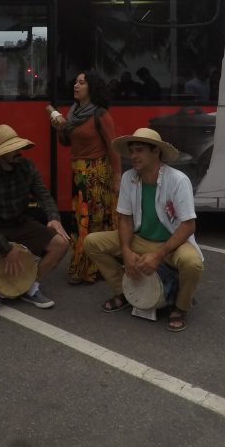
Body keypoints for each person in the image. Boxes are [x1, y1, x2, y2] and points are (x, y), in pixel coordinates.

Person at [83, 127, 204, 332]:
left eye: (139, 150)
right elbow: (125, 219)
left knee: (193, 263)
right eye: (131, 151)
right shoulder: (130, 178)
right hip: (141, 239)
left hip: (171, 244)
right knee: (92, 242)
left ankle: (181, 307)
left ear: (155, 151)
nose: (133, 156)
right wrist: (127, 250)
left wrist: (158, 254)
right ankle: (125, 292)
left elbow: (188, 225)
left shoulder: (177, 180)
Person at [0, 124, 70, 322]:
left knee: (61, 243)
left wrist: (53, 217)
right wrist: (6, 249)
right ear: (0, 154)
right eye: (12, 149)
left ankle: (30, 286)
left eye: (18, 147)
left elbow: (43, 195)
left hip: (20, 222)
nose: (18, 152)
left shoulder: (27, 167)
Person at [50, 71, 121, 284]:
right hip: (79, 174)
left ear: (92, 88)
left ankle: (87, 269)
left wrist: (118, 177)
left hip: (97, 175)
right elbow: (67, 143)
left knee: (89, 222)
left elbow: (113, 148)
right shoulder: (73, 113)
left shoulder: (100, 115)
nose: (76, 85)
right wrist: (59, 130)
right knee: (80, 221)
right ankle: (89, 265)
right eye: (76, 81)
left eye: (82, 82)